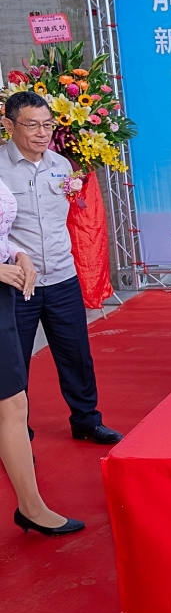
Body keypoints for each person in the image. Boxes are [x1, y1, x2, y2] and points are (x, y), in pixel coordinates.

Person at [0, 91, 122, 444]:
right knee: (15, 363)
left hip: (62, 277)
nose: (42, 133)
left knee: (76, 355)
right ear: (8, 125)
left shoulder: (62, 166)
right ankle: (16, 435)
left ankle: (86, 420)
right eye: (32, 125)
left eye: (48, 125)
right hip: (17, 282)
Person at [0, 155, 84, 536]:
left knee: (13, 402)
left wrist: (18, 255)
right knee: (13, 403)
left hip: (10, 287)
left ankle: (31, 506)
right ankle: (31, 506)